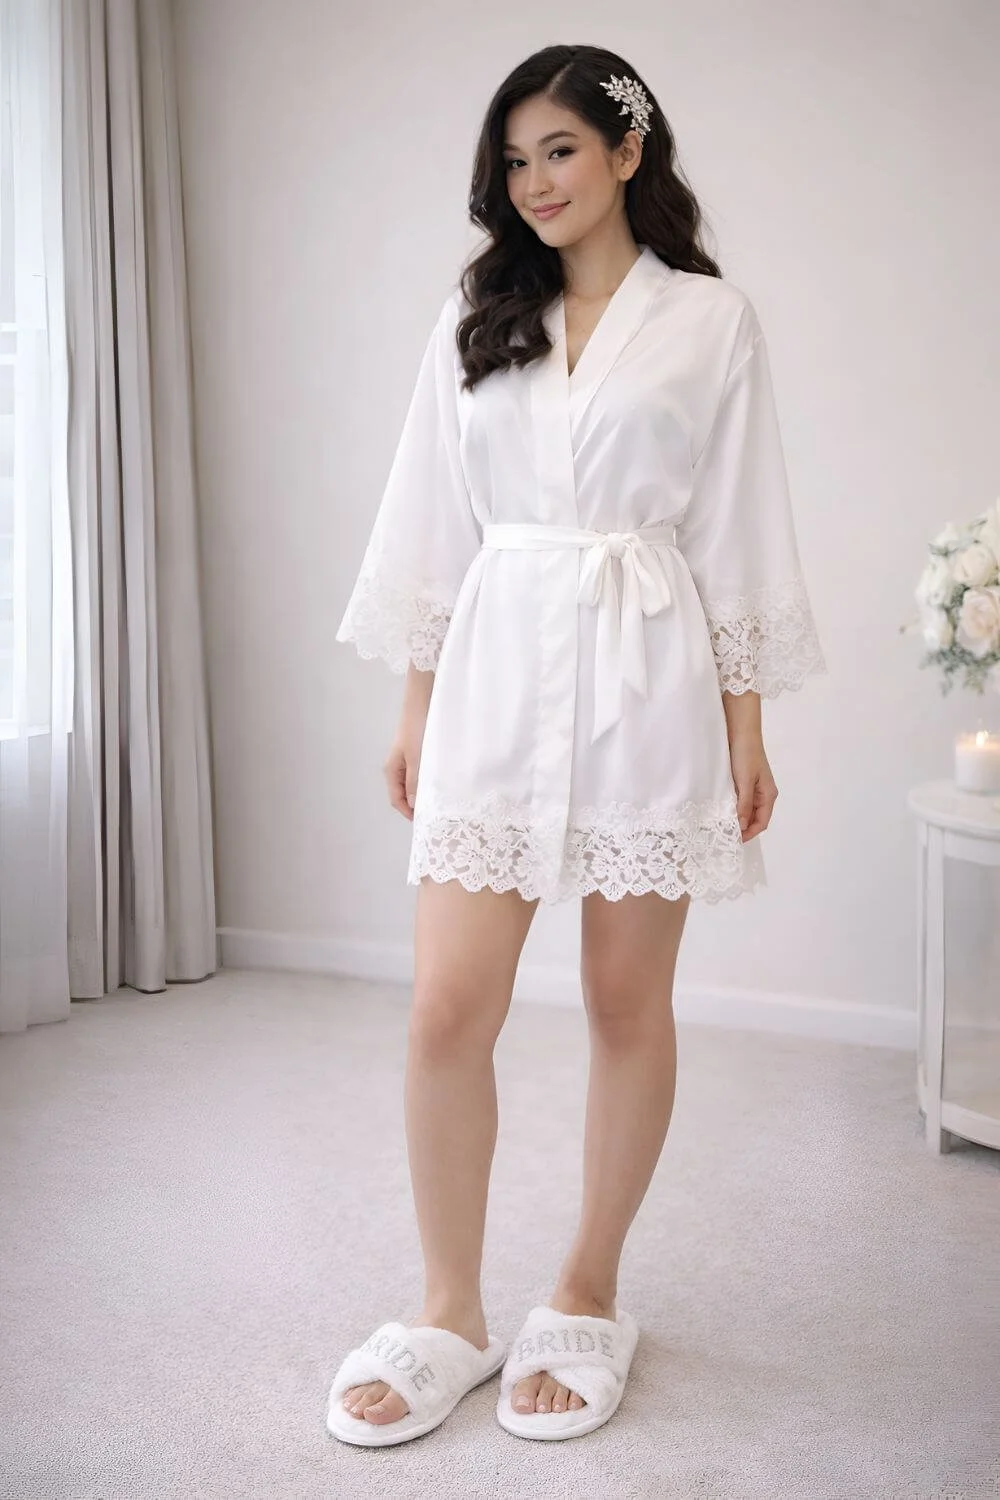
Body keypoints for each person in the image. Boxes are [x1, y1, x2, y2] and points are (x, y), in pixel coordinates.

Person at [326, 43, 825, 1447]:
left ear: (626, 152)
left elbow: (738, 525)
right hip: (495, 671)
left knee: (622, 1001)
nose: (535, 181)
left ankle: (589, 1288)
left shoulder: (711, 320)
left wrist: (745, 727)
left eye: (559, 149)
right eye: (514, 158)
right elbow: (432, 513)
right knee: (447, 1008)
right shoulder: (478, 312)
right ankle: (448, 1311)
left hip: (649, 677)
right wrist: (417, 705)